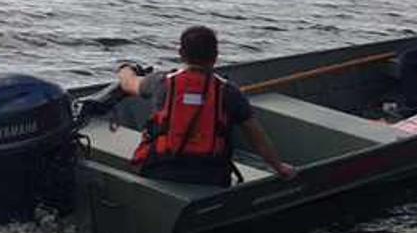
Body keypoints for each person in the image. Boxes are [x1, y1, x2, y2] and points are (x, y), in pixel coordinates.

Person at [114, 26, 296, 186]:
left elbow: (128, 84)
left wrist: (125, 69)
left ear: (181, 53)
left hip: (160, 169)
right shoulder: (229, 91)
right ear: (215, 56)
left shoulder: (161, 82)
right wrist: (279, 167)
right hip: (210, 176)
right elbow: (257, 138)